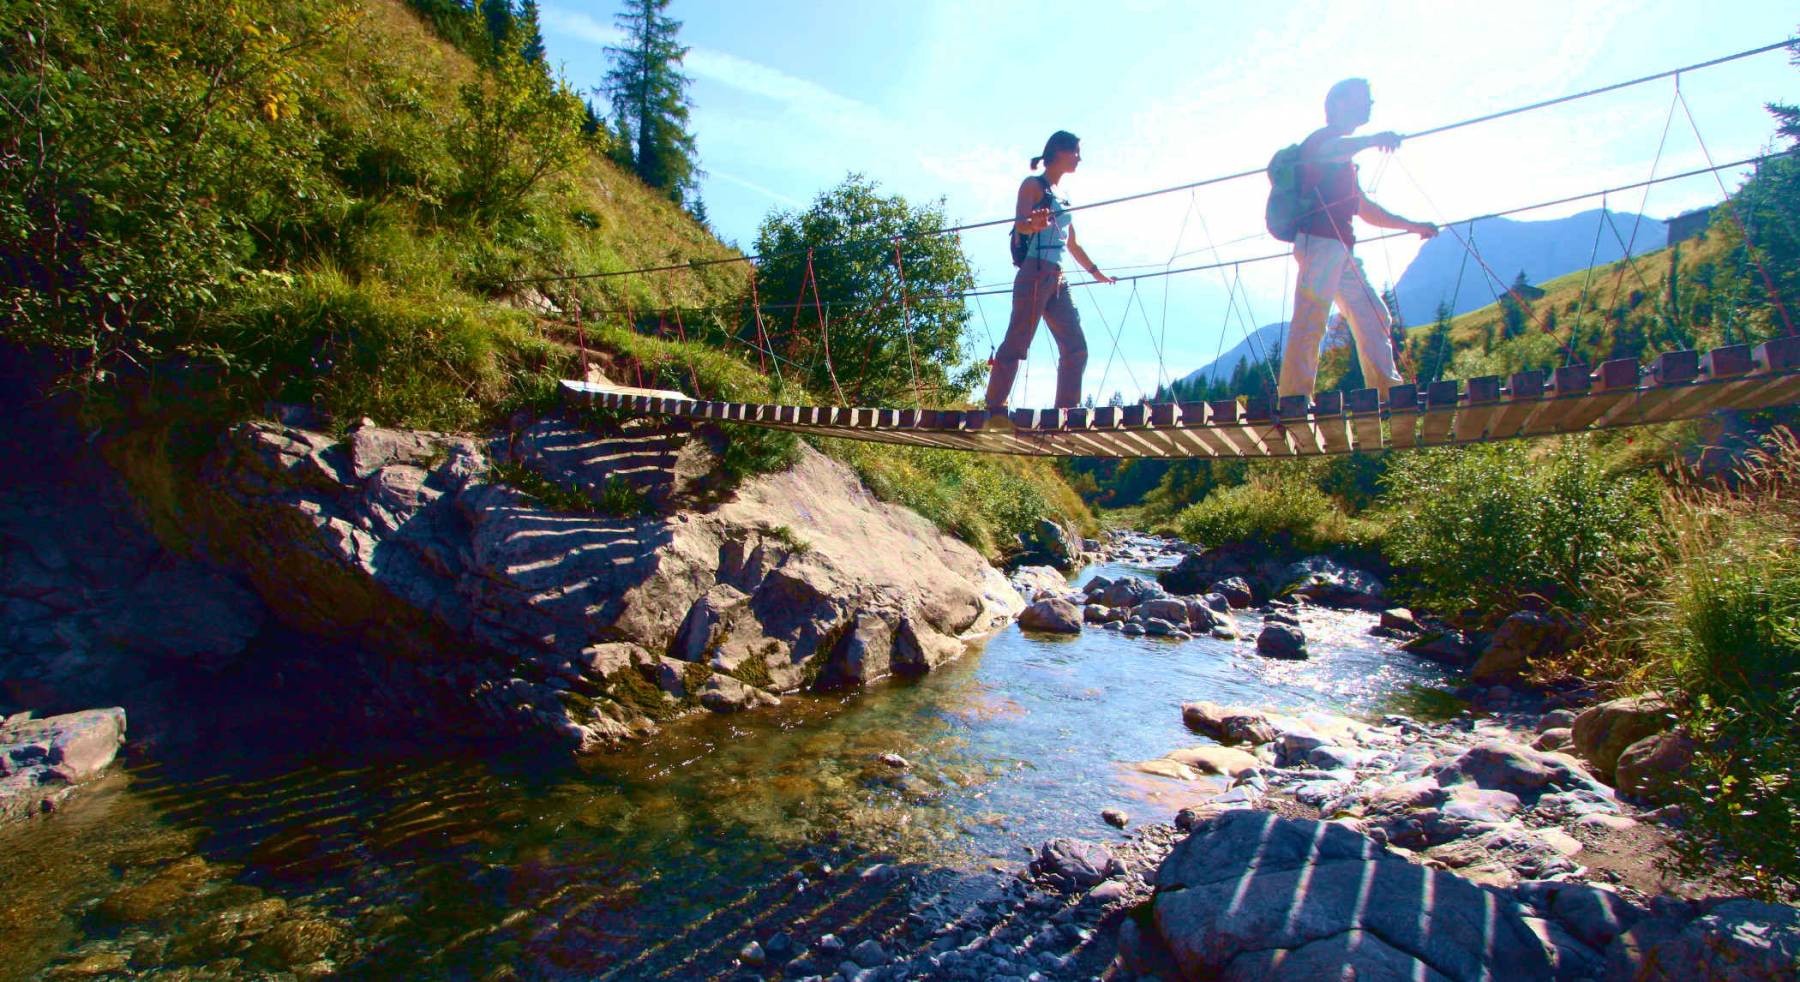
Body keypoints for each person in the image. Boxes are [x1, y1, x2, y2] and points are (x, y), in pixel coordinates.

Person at [1279, 78, 1438, 403]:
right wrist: (1373, 139)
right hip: (1320, 244)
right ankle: (1294, 397)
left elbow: (1365, 208)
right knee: (1312, 317)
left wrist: (1412, 226)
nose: (1370, 105)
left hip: (1340, 249)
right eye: (1364, 99)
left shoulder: (1344, 161)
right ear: (1338, 103)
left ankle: (1387, 391)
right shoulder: (1322, 142)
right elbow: (1329, 152)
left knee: (1374, 313)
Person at [982, 130, 1115, 420]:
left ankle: (1065, 411)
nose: (1080, 158)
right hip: (1035, 271)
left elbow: (1072, 243)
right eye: (1076, 151)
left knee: (1075, 346)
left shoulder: (1064, 196)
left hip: (1057, 277)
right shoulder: (1033, 185)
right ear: (1059, 152)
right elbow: (1021, 224)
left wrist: (1096, 273)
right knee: (1018, 341)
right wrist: (1035, 224)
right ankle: (994, 406)